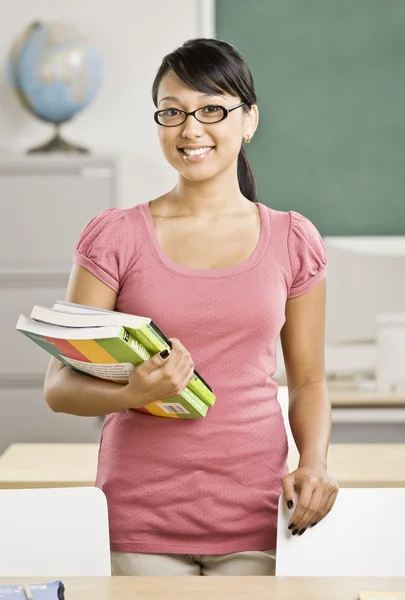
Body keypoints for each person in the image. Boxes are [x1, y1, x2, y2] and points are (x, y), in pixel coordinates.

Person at [44, 38, 338, 576]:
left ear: (249, 119)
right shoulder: (116, 237)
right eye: (173, 112)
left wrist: (314, 463)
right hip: (137, 523)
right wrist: (134, 392)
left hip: (259, 519)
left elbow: (309, 381)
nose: (190, 129)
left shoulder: (293, 239)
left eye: (211, 110)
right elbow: (58, 386)